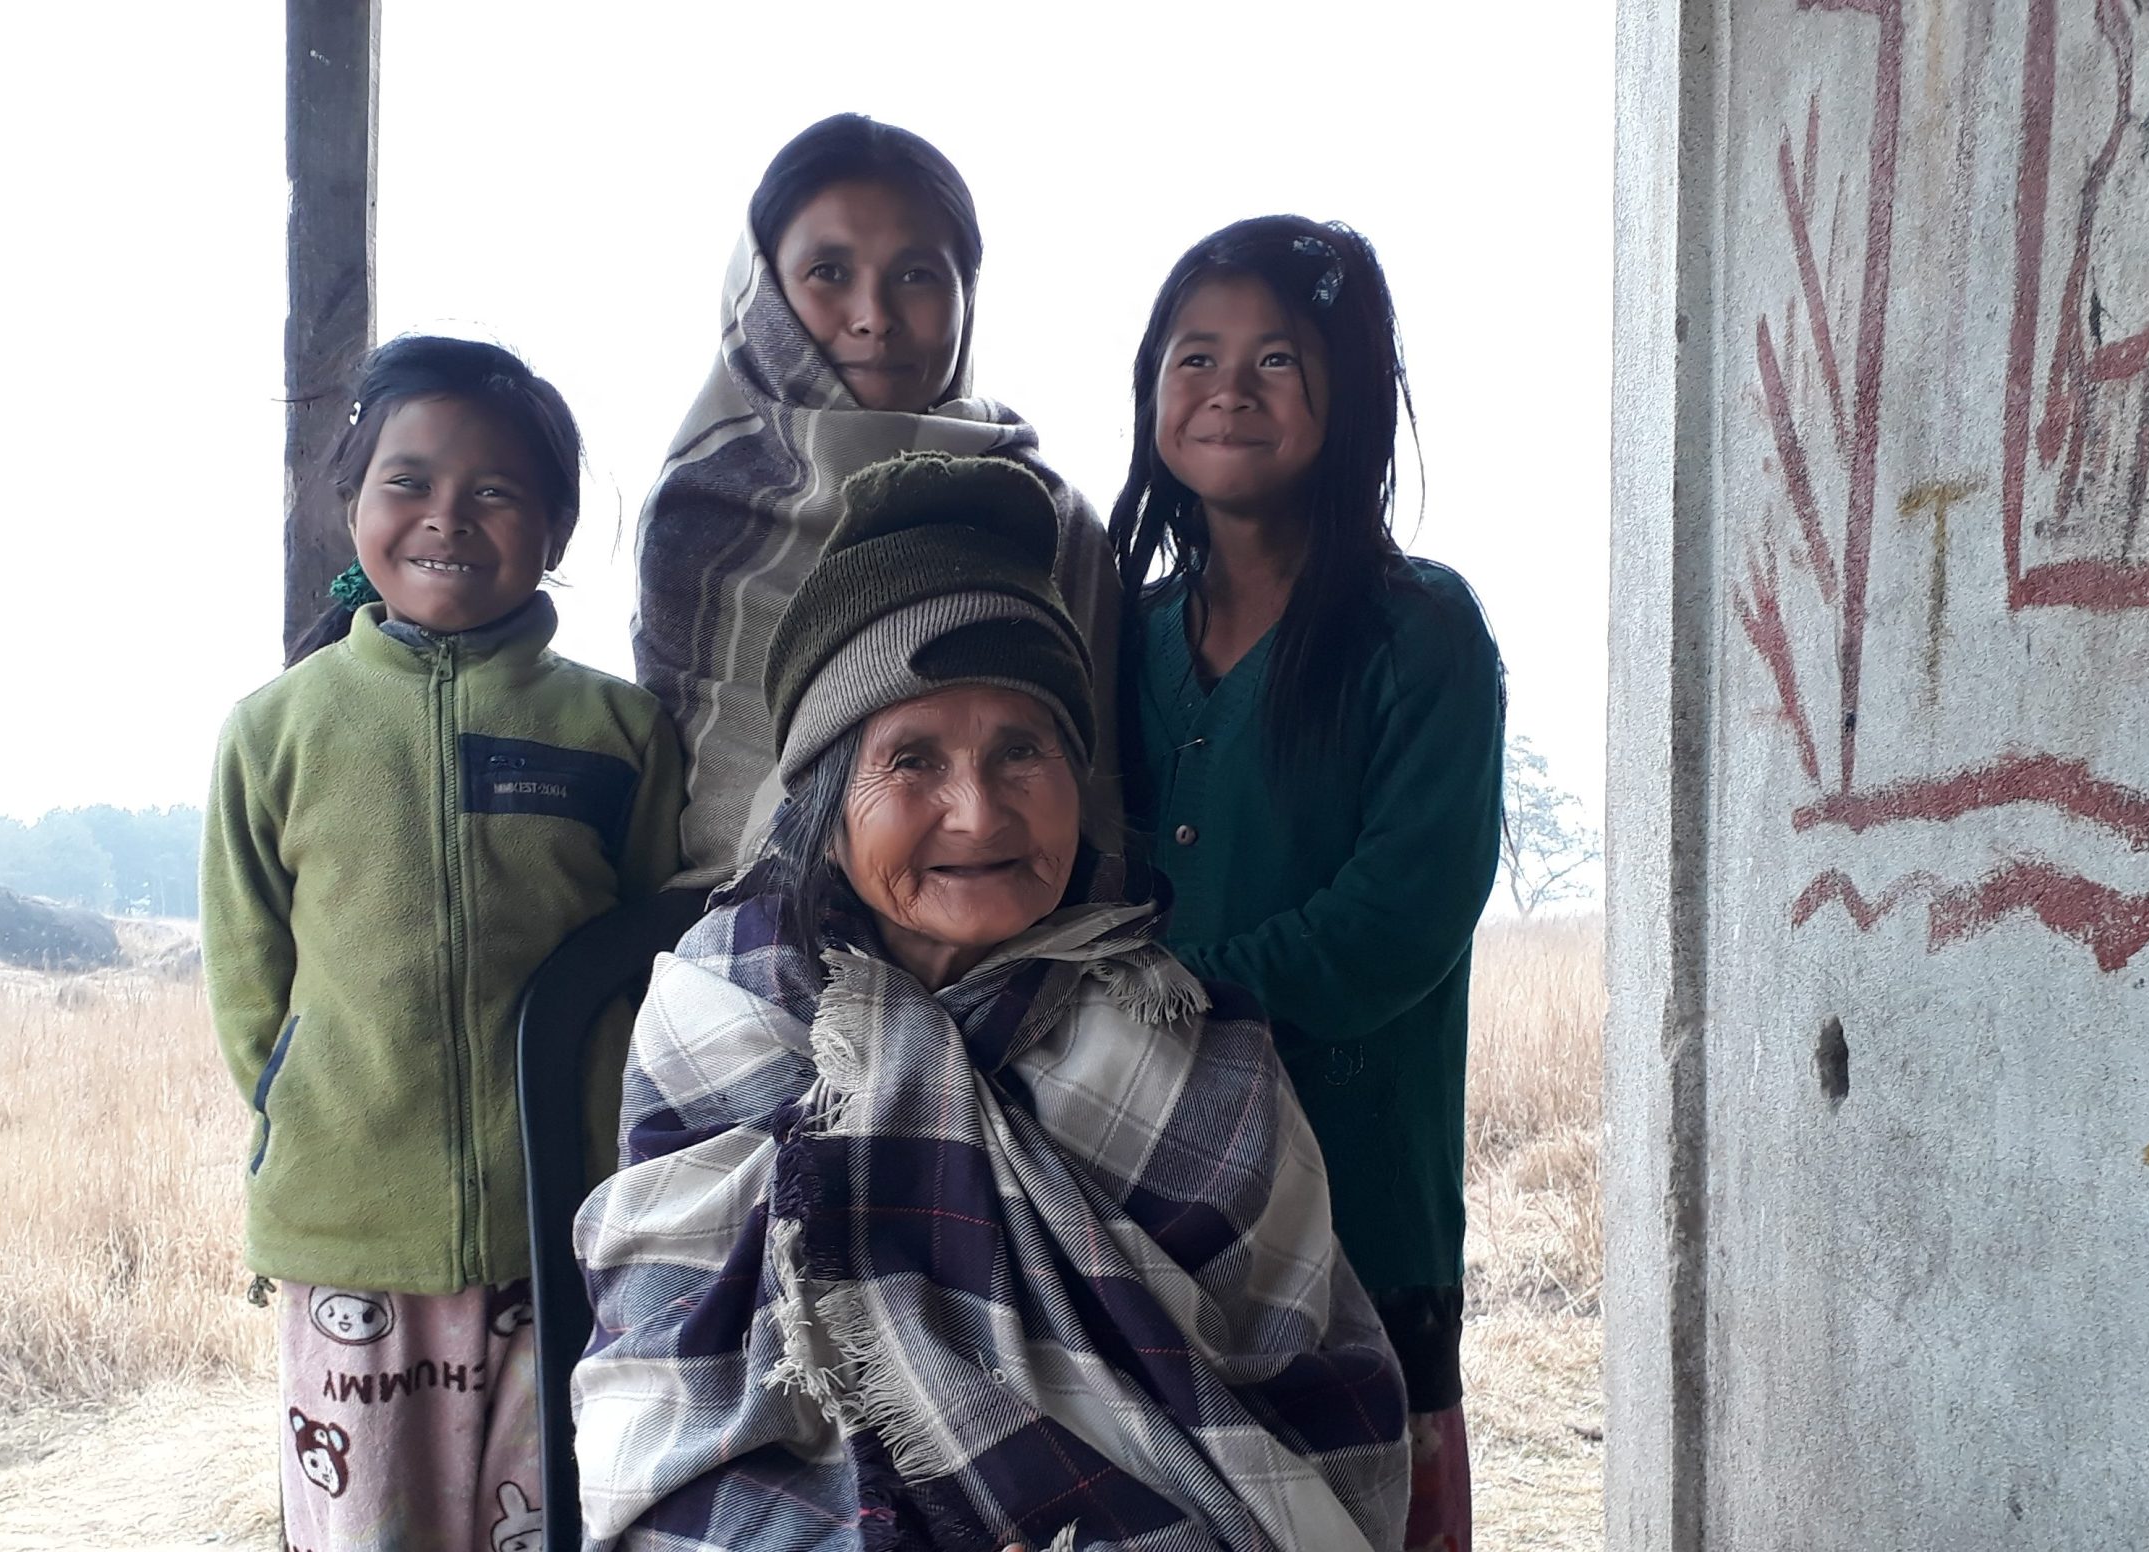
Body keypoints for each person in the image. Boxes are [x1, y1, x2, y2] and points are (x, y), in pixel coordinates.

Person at [576, 452, 1408, 1552]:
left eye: (1023, 749)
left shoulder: (1193, 1048)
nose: (976, 812)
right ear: (823, 808)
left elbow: (1316, 1407)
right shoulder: (722, 1013)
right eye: (910, 759)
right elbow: (671, 1401)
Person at [201, 335, 685, 1552]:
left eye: (495, 491)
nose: (446, 517)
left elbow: (651, 958)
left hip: (560, 1231)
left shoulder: (618, 730)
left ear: (557, 528)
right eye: (406, 482)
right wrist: (298, 1100)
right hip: (351, 1233)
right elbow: (249, 977)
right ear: (352, 507)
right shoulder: (274, 730)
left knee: (557, 1528)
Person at [1109, 218, 1504, 1552]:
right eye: (1195, 354)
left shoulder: (1422, 635)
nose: (1228, 386)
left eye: (1278, 358)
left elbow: (1402, 914)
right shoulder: (1120, 635)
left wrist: (1167, 1005)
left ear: (1352, 394)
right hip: (1136, 1197)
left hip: (1357, 1211)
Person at [632, 112, 1121, 889]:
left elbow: (1093, 786)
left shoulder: (1046, 514)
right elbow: (669, 788)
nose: (875, 316)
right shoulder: (701, 516)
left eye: (918, 274)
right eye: (829, 271)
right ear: (763, 291)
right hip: (733, 949)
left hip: (1029, 956)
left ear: (968, 294)